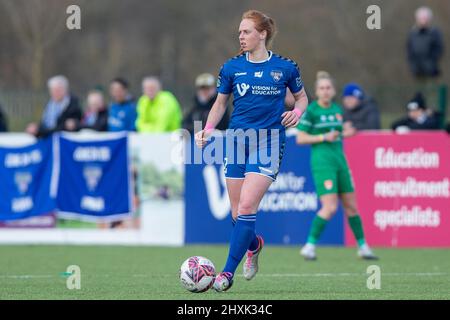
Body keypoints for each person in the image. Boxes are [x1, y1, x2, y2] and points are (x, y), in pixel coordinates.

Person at [195, 10, 308, 292]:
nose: (241, 36)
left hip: (268, 143)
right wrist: (208, 129)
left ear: (262, 34)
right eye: (239, 32)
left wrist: (298, 112)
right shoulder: (231, 67)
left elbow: (303, 98)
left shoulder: (286, 67)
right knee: (236, 214)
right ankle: (254, 245)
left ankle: (226, 274)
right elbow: (220, 104)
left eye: (246, 32)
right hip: (236, 141)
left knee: (246, 207)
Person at [296, 71, 377, 261]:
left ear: (333, 91)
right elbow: (300, 138)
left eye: (328, 88)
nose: (325, 91)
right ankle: (309, 246)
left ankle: (363, 247)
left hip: (340, 162)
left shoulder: (338, 110)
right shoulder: (313, 111)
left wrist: (345, 132)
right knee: (330, 207)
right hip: (323, 164)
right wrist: (323, 137)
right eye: (321, 88)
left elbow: (339, 133)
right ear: (316, 92)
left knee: (352, 207)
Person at [407, 7, 444, 80]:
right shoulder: (412, 34)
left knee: (431, 89)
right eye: (421, 18)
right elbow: (409, 50)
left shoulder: (435, 33)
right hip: (417, 71)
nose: (423, 20)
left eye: (425, 18)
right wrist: (413, 64)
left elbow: (439, 48)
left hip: (431, 70)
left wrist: (431, 61)